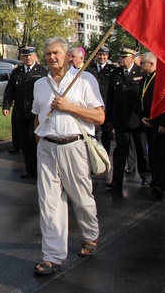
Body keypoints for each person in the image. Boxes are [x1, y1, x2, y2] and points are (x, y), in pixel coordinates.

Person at [31, 37, 104, 275]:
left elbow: (99, 117)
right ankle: (52, 256)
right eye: (48, 54)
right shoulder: (40, 84)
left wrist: (69, 106)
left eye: (57, 53)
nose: (52, 57)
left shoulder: (84, 80)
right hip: (47, 147)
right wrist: (39, 144)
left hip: (75, 146)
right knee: (49, 203)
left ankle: (90, 235)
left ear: (67, 55)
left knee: (82, 199)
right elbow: (37, 115)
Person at [106, 47, 150, 189]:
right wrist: (109, 119)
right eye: (120, 56)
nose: (121, 59)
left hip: (137, 119)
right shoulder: (115, 73)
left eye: (125, 57)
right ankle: (117, 179)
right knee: (120, 150)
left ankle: (146, 176)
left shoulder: (140, 72)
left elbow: (145, 96)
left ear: (132, 57)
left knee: (141, 149)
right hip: (121, 118)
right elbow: (110, 97)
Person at [3, 46, 47, 179]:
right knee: (24, 143)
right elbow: (9, 90)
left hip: (36, 113)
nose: (28, 58)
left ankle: (40, 169)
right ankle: (30, 170)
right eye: (25, 56)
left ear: (35, 56)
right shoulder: (17, 72)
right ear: (21, 57)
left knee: (34, 141)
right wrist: (6, 106)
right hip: (21, 112)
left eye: (30, 55)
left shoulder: (42, 72)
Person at [138, 52, 165, 199]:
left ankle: (163, 183)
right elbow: (140, 100)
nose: (140, 65)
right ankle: (155, 180)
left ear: (152, 64)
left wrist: (164, 122)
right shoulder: (144, 79)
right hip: (149, 123)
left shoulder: (161, 80)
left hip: (162, 124)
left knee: (163, 155)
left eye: (143, 63)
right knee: (153, 154)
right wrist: (141, 116)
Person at [88, 46, 116, 156]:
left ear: (107, 56)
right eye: (99, 54)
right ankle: (95, 156)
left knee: (106, 134)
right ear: (96, 56)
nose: (102, 57)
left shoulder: (112, 69)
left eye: (104, 55)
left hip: (106, 104)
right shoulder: (91, 68)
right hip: (93, 105)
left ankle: (105, 156)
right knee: (92, 133)